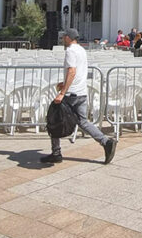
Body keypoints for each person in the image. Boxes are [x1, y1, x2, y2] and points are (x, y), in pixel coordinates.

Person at [41, 28, 117, 165]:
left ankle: (56, 152)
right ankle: (106, 142)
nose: (63, 39)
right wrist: (64, 83)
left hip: (71, 94)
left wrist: (63, 92)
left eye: (64, 37)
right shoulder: (82, 50)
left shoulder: (70, 50)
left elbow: (72, 71)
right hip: (81, 92)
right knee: (83, 121)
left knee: (54, 120)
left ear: (69, 38)